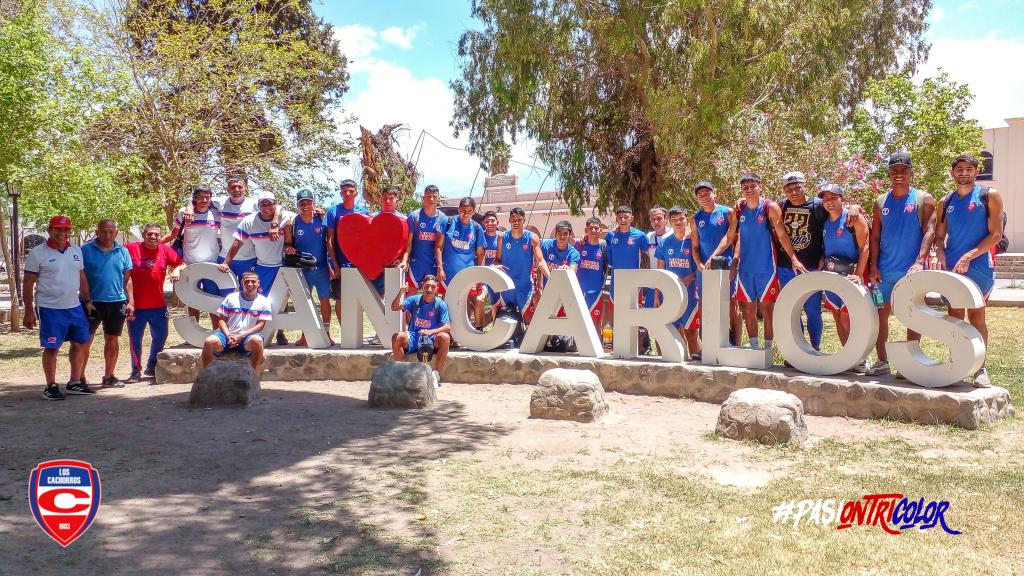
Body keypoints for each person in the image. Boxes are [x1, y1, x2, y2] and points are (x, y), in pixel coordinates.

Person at [934, 153, 1004, 387]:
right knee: (955, 316)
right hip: (954, 267)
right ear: (952, 172)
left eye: (968, 169)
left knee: (976, 316)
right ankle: (957, 362)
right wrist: (941, 252)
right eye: (959, 169)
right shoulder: (946, 202)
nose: (964, 173)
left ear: (976, 171)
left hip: (980, 265)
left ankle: (980, 368)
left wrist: (969, 255)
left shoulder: (989, 196)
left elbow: (996, 235)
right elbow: (939, 236)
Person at [866, 153, 936, 376]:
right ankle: (882, 361)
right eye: (894, 170)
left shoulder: (923, 199)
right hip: (884, 270)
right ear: (888, 173)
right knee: (880, 315)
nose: (899, 174)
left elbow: (930, 231)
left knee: (913, 315)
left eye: (903, 170)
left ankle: (912, 364)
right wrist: (874, 266)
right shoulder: (880, 202)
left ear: (910, 172)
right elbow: (875, 236)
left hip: (911, 270)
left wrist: (919, 262)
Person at [710, 173, 793, 350]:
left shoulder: (770, 207)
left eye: (752, 186)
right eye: (745, 187)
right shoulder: (739, 210)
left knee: (767, 309)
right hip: (745, 269)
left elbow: (782, 235)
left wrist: (794, 258)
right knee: (748, 310)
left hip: (766, 267)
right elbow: (730, 236)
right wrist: (714, 255)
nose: (748, 190)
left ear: (759, 186)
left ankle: (769, 349)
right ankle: (755, 349)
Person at [23, 216, 96, 400]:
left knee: (80, 343)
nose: (62, 233)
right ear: (49, 230)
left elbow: (81, 277)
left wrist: (87, 301)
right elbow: (28, 283)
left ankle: (74, 383)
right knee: (52, 347)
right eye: (58, 229)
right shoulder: (38, 253)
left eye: (66, 230)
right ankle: (51, 386)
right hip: (50, 308)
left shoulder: (76, 251)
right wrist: (29, 311)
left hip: (74, 306)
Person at [221, 192, 294, 344]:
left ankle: (280, 332)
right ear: (258, 206)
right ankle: (257, 335)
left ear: (275, 204)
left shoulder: (284, 216)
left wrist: (317, 212)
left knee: (283, 300)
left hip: (282, 265)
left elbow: (303, 214)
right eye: (263, 204)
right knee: (262, 301)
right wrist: (226, 262)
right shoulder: (250, 221)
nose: (266, 207)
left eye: (269, 204)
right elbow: (237, 242)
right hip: (263, 266)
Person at [774, 171, 828, 351]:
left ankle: (815, 348)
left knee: (813, 310)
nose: (793, 191)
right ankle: (799, 349)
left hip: (811, 266)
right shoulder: (781, 206)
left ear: (804, 185)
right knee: (792, 310)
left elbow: (836, 219)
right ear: (784, 190)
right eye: (789, 188)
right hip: (786, 266)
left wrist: (855, 208)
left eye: (797, 187)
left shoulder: (818, 205)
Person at [125, 222, 185, 382]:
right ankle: (135, 371)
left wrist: (177, 269)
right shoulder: (130, 248)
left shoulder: (165, 250)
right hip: (135, 306)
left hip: (158, 305)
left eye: (156, 234)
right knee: (135, 340)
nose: (153, 237)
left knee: (161, 336)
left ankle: (151, 365)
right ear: (144, 235)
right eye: (149, 234)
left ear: (160, 236)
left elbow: (181, 263)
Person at [81, 219, 134, 388]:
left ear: (116, 233)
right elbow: (80, 277)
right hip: (92, 304)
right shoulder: (86, 250)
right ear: (97, 232)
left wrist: (130, 300)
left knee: (112, 339)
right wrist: (87, 299)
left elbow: (127, 277)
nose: (107, 235)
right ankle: (79, 377)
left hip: (116, 303)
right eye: (103, 231)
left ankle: (109, 376)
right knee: (85, 340)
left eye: (111, 232)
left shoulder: (122, 251)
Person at [690, 182, 741, 346]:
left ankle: (736, 344)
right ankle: (709, 345)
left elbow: (732, 238)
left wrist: (732, 264)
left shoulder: (728, 212)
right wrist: (699, 264)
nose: (704, 197)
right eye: (700, 195)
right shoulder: (696, 218)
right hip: (704, 269)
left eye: (707, 193)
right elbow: (695, 246)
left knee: (731, 305)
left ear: (714, 193)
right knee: (704, 305)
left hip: (725, 265)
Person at [820, 184, 870, 346]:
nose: (829, 202)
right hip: (832, 275)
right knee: (836, 314)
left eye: (834, 198)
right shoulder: (824, 221)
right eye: (826, 199)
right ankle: (848, 358)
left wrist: (859, 274)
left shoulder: (852, 218)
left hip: (851, 275)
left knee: (848, 316)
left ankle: (861, 356)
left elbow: (865, 247)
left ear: (842, 199)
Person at [494, 207, 550, 347]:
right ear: (509, 220)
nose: (516, 222)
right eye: (513, 219)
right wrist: (495, 266)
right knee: (507, 316)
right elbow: (497, 259)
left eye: (519, 220)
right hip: (507, 284)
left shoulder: (531, 238)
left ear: (524, 220)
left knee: (529, 317)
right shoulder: (502, 237)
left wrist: (550, 277)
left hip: (525, 284)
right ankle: (507, 339)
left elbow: (540, 260)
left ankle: (529, 344)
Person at [163, 185, 221, 320]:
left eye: (207, 197)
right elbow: (173, 234)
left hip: (211, 263)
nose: (204, 200)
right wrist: (155, 245)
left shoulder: (217, 213)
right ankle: (194, 334)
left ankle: (216, 335)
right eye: (200, 197)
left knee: (212, 300)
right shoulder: (184, 213)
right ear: (194, 198)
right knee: (192, 300)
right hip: (189, 263)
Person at [285, 188, 333, 346]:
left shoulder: (322, 219)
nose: (305, 205)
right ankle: (305, 334)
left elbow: (330, 242)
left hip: (321, 268)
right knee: (304, 302)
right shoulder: (293, 222)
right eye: (302, 202)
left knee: (324, 300)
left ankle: (326, 333)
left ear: (313, 203)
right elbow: (287, 243)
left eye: (308, 202)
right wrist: (289, 248)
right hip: (303, 267)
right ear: (297, 204)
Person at [655, 206, 701, 359]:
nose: (678, 222)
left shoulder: (694, 239)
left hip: (691, 294)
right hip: (670, 295)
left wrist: (689, 278)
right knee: (670, 334)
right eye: (674, 220)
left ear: (685, 218)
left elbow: (701, 267)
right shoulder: (665, 242)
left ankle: (695, 366)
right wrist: (657, 296)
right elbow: (660, 271)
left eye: (681, 219)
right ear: (669, 222)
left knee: (691, 332)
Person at [201, 271, 270, 371]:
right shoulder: (231, 298)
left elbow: (261, 325)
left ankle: (253, 375)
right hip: (228, 336)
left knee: (258, 341)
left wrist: (241, 336)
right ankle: (206, 375)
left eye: (253, 281)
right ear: (242, 282)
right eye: (247, 281)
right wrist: (229, 335)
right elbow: (221, 320)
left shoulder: (264, 302)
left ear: (258, 283)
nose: (250, 284)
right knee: (209, 342)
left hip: (247, 337)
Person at [390, 275, 451, 388]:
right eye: (427, 286)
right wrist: (401, 292)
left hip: (431, 338)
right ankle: (401, 373)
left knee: (445, 337)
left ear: (437, 288)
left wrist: (431, 331)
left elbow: (447, 327)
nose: (429, 289)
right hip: (414, 336)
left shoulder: (440, 304)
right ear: (422, 286)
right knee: (396, 337)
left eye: (432, 287)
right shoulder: (414, 300)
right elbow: (394, 308)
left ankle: (435, 374)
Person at [325, 178, 370, 323]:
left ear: (356, 193)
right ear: (341, 193)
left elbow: (367, 239)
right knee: (340, 297)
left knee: (359, 297)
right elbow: (330, 240)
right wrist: (335, 265)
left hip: (358, 264)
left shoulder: (363, 212)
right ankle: (345, 332)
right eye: (345, 191)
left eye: (351, 191)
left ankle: (354, 329)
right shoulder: (333, 211)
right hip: (341, 263)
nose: (348, 194)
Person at [215, 176, 259, 288]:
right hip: (224, 257)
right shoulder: (220, 202)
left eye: (240, 187)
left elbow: (277, 208)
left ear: (245, 188)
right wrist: (189, 208)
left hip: (248, 258)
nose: (237, 190)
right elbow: (198, 199)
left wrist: (274, 223)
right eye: (233, 187)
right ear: (228, 190)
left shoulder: (254, 204)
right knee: (225, 291)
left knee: (248, 290)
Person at [401, 184, 446, 291]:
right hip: (416, 263)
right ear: (423, 198)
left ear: (438, 199)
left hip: (432, 264)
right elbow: (409, 243)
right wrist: (404, 260)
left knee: (432, 295)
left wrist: (440, 267)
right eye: (428, 196)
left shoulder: (442, 218)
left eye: (434, 196)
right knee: (410, 294)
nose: (431, 199)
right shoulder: (414, 216)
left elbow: (439, 246)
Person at [440, 197, 485, 288]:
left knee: (466, 301)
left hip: (468, 274)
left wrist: (480, 275)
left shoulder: (477, 228)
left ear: (473, 212)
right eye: (463, 210)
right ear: (459, 209)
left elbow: (480, 253)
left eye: (469, 211)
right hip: (447, 273)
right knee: (447, 300)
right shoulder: (448, 222)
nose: (466, 214)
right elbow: (438, 247)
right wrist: (440, 268)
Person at [575, 216, 610, 331]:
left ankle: (598, 347)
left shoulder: (603, 245)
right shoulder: (579, 245)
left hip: (596, 291)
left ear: (600, 230)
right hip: (579, 290)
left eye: (596, 228)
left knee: (595, 323)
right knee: (579, 323)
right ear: (586, 230)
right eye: (590, 228)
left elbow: (607, 267)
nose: (593, 230)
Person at [471, 210, 501, 329]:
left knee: (497, 305)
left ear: (497, 222)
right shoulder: (479, 236)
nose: (490, 223)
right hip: (483, 276)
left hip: (498, 276)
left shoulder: (502, 237)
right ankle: (479, 329)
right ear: (483, 223)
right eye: (487, 221)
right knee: (479, 300)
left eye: (492, 221)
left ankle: (496, 332)